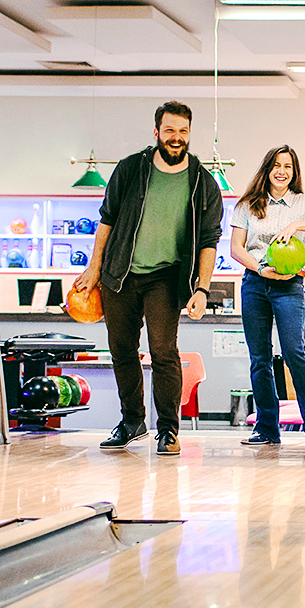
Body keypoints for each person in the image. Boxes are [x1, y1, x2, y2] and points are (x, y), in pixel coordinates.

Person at [73, 101, 223, 456]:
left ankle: (169, 430)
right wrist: (94, 268)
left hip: (165, 279)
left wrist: (202, 288)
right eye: (169, 131)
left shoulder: (202, 182)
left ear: (190, 134)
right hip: (119, 274)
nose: (176, 138)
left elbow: (208, 241)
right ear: (156, 133)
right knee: (122, 351)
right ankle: (132, 421)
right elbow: (106, 220)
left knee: (163, 352)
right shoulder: (130, 170)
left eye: (183, 131)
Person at [230, 145, 305, 446]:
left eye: (288, 167)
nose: (281, 171)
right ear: (267, 169)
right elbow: (237, 248)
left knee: (294, 353)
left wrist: (296, 224)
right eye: (276, 165)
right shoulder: (249, 204)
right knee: (260, 359)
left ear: (294, 172)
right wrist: (259, 269)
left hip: (290, 286)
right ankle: (266, 429)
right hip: (255, 283)